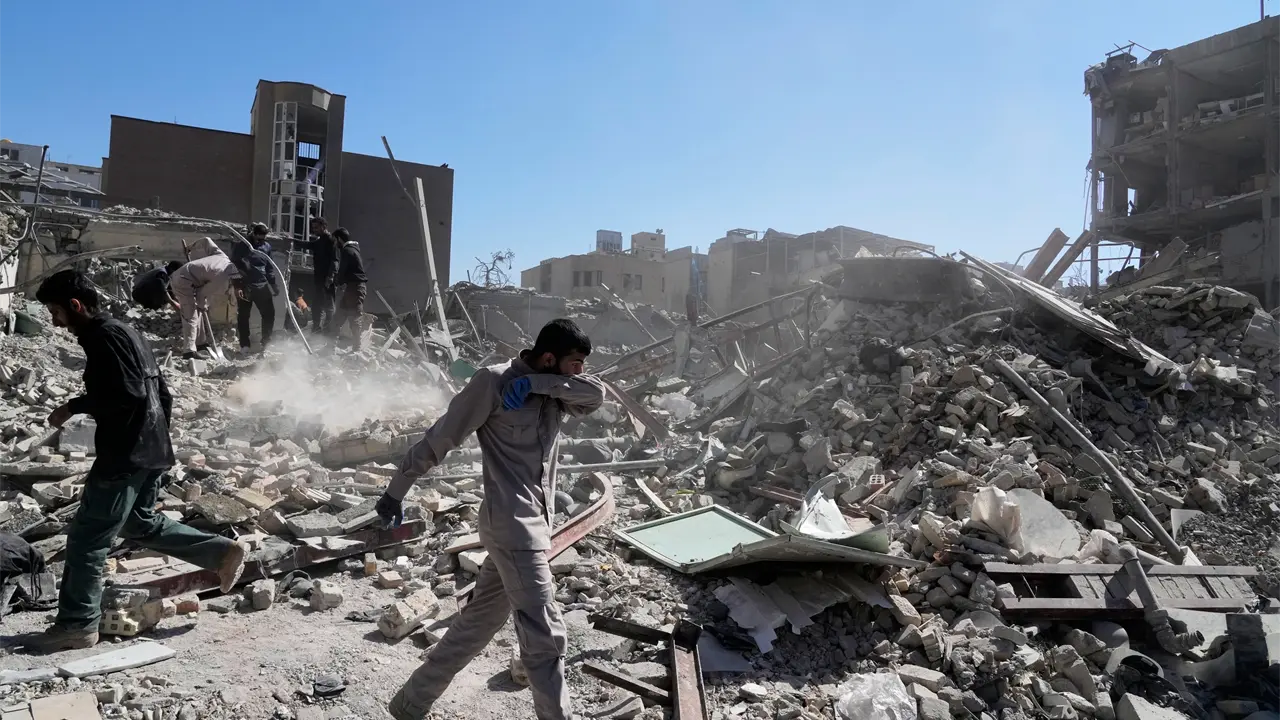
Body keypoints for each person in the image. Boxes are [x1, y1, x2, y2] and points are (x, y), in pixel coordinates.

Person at [380, 319, 605, 720]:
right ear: (549, 357)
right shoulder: (493, 382)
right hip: (512, 526)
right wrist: (395, 490)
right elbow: (440, 437)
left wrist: (540, 383)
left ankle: (410, 703)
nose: (579, 372)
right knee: (545, 638)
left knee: (478, 623)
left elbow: (597, 395)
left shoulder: (557, 388)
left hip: (534, 526)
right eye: (574, 363)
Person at [26, 270, 248, 653]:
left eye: (56, 312)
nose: (55, 322)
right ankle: (220, 552)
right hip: (151, 448)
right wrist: (159, 444)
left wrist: (73, 407)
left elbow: (127, 395)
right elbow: (162, 394)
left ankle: (77, 625)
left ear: (75, 306)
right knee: (138, 523)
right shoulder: (128, 332)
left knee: (87, 539)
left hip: (125, 454)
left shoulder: (102, 337)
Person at [168, 238, 239, 359]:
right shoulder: (222, 277)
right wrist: (203, 305)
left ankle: (201, 343)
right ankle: (189, 351)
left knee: (198, 312)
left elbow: (206, 240)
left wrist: (190, 247)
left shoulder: (223, 257)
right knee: (191, 315)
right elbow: (201, 294)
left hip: (189, 278)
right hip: (182, 282)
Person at [231, 223, 280, 352]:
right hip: (245, 286)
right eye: (258, 239)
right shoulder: (242, 246)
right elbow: (233, 266)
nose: (260, 242)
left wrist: (273, 284)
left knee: (269, 314)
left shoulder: (266, 246)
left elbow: (269, 267)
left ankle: (266, 342)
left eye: (263, 239)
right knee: (243, 315)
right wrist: (237, 286)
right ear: (253, 233)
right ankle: (244, 345)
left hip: (261, 286)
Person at [293, 217, 338, 333]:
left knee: (328, 306)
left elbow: (335, 260)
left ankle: (329, 330)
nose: (314, 230)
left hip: (327, 280)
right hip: (319, 279)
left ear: (324, 226)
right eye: (313, 228)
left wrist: (331, 276)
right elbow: (309, 245)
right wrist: (292, 240)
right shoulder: (320, 241)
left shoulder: (331, 241)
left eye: (316, 227)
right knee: (317, 305)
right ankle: (317, 328)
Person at [330, 227, 367, 351]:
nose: (335, 244)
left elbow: (342, 271)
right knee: (339, 317)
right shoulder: (353, 250)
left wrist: (336, 282)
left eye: (335, 240)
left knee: (354, 318)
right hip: (352, 288)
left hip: (355, 288)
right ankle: (330, 346)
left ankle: (357, 349)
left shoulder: (347, 251)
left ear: (339, 239)